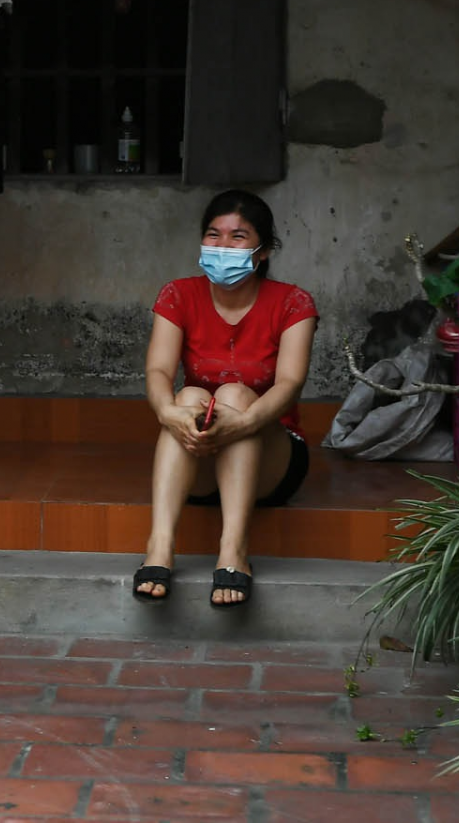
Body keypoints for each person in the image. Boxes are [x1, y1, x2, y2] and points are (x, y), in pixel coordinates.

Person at [135, 190, 317, 608]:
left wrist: (245, 421)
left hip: (272, 457)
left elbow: (289, 384)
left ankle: (233, 551)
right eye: (213, 235)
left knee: (235, 394)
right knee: (190, 396)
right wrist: (168, 411)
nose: (222, 246)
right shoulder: (178, 295)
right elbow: (159, 371)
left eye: (238, 236)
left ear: (264, 249)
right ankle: (160, 545)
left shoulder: (292, 303)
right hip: (201, 451)